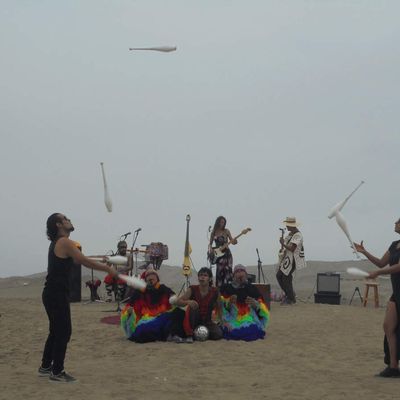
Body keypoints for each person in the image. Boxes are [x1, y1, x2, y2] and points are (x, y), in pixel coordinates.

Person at [39, 213, 119, 383]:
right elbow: (83, 261)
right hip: (56, 294)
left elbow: (79, 258)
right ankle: (57, 371)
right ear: (59, 224)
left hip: (51, 294)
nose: (69, 219)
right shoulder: (64, 242)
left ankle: (45, 366)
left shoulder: (59, 243)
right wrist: (108, 269)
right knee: (63, 332)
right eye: (65, 218)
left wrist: (102, 260)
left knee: (55, 331)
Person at [354, 217, 400, 378]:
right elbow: (381, 263)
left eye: (398, 221)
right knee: (388, 326)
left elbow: (398, 267)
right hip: (397, 292)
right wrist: (364, 251)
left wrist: (378, 274)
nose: (395, 223)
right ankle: (393, 367)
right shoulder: (394, 245)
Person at [120, 268, 175, 343]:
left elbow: (173, 296)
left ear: (157, 278)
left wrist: (173, 298)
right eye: (149, 277)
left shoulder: (163, 288)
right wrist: (129, 311)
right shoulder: (140, 291)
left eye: (153, 277)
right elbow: (130, 305)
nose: (151, 280)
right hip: (144, 319)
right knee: (142, 328)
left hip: (160, 317)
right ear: (145, 280)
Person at [171, 267, 223, 342]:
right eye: (200, 275)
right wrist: (188, 302)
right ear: (198, 278)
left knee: (218, 334)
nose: (202, 277)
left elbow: (219, 306)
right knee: (193, 306)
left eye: (205, 275)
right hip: (194, 321)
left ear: (210, 279)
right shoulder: (192, 289)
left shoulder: (215, 291)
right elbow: (178, 302)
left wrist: (222, 320)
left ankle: (201, 334)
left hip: (207, 322)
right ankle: (190, 333)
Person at [220, 264, 269, 341]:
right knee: (229, 331)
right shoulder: (226, 288)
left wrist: (255, 303)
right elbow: (220, 307)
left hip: (249, 317)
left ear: (246, 274)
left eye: (242, 271)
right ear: (233, 275)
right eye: (237, 271)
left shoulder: (252, 288)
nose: (240, 273)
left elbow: (262, 307)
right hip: (232, 318)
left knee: (251, 332)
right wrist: (229, 302)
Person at [276, 217, 306, 305]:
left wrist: (283, 244)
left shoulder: (298, 235)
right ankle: (289, 295)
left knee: (286, 278)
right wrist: (282, 248)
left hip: (293, 260)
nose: (286, 226)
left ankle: (291, 298)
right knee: (280, 276)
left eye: (288, 225)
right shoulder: (290, 234)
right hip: (287, 259)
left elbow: (292, 248)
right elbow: (286, 247)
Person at [208, 216, 237, 288]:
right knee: (220, 271)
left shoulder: (226, 231)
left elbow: (232, 241)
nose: (222, 224)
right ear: (218, 222)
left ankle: (228, 289)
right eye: (221, 222)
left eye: (224, 222)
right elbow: (210, 244)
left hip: (227, 254)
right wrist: (210, 250)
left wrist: (235, 241)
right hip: (219, 254)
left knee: (228, 270)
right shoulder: (213, 232)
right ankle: (219, 290)